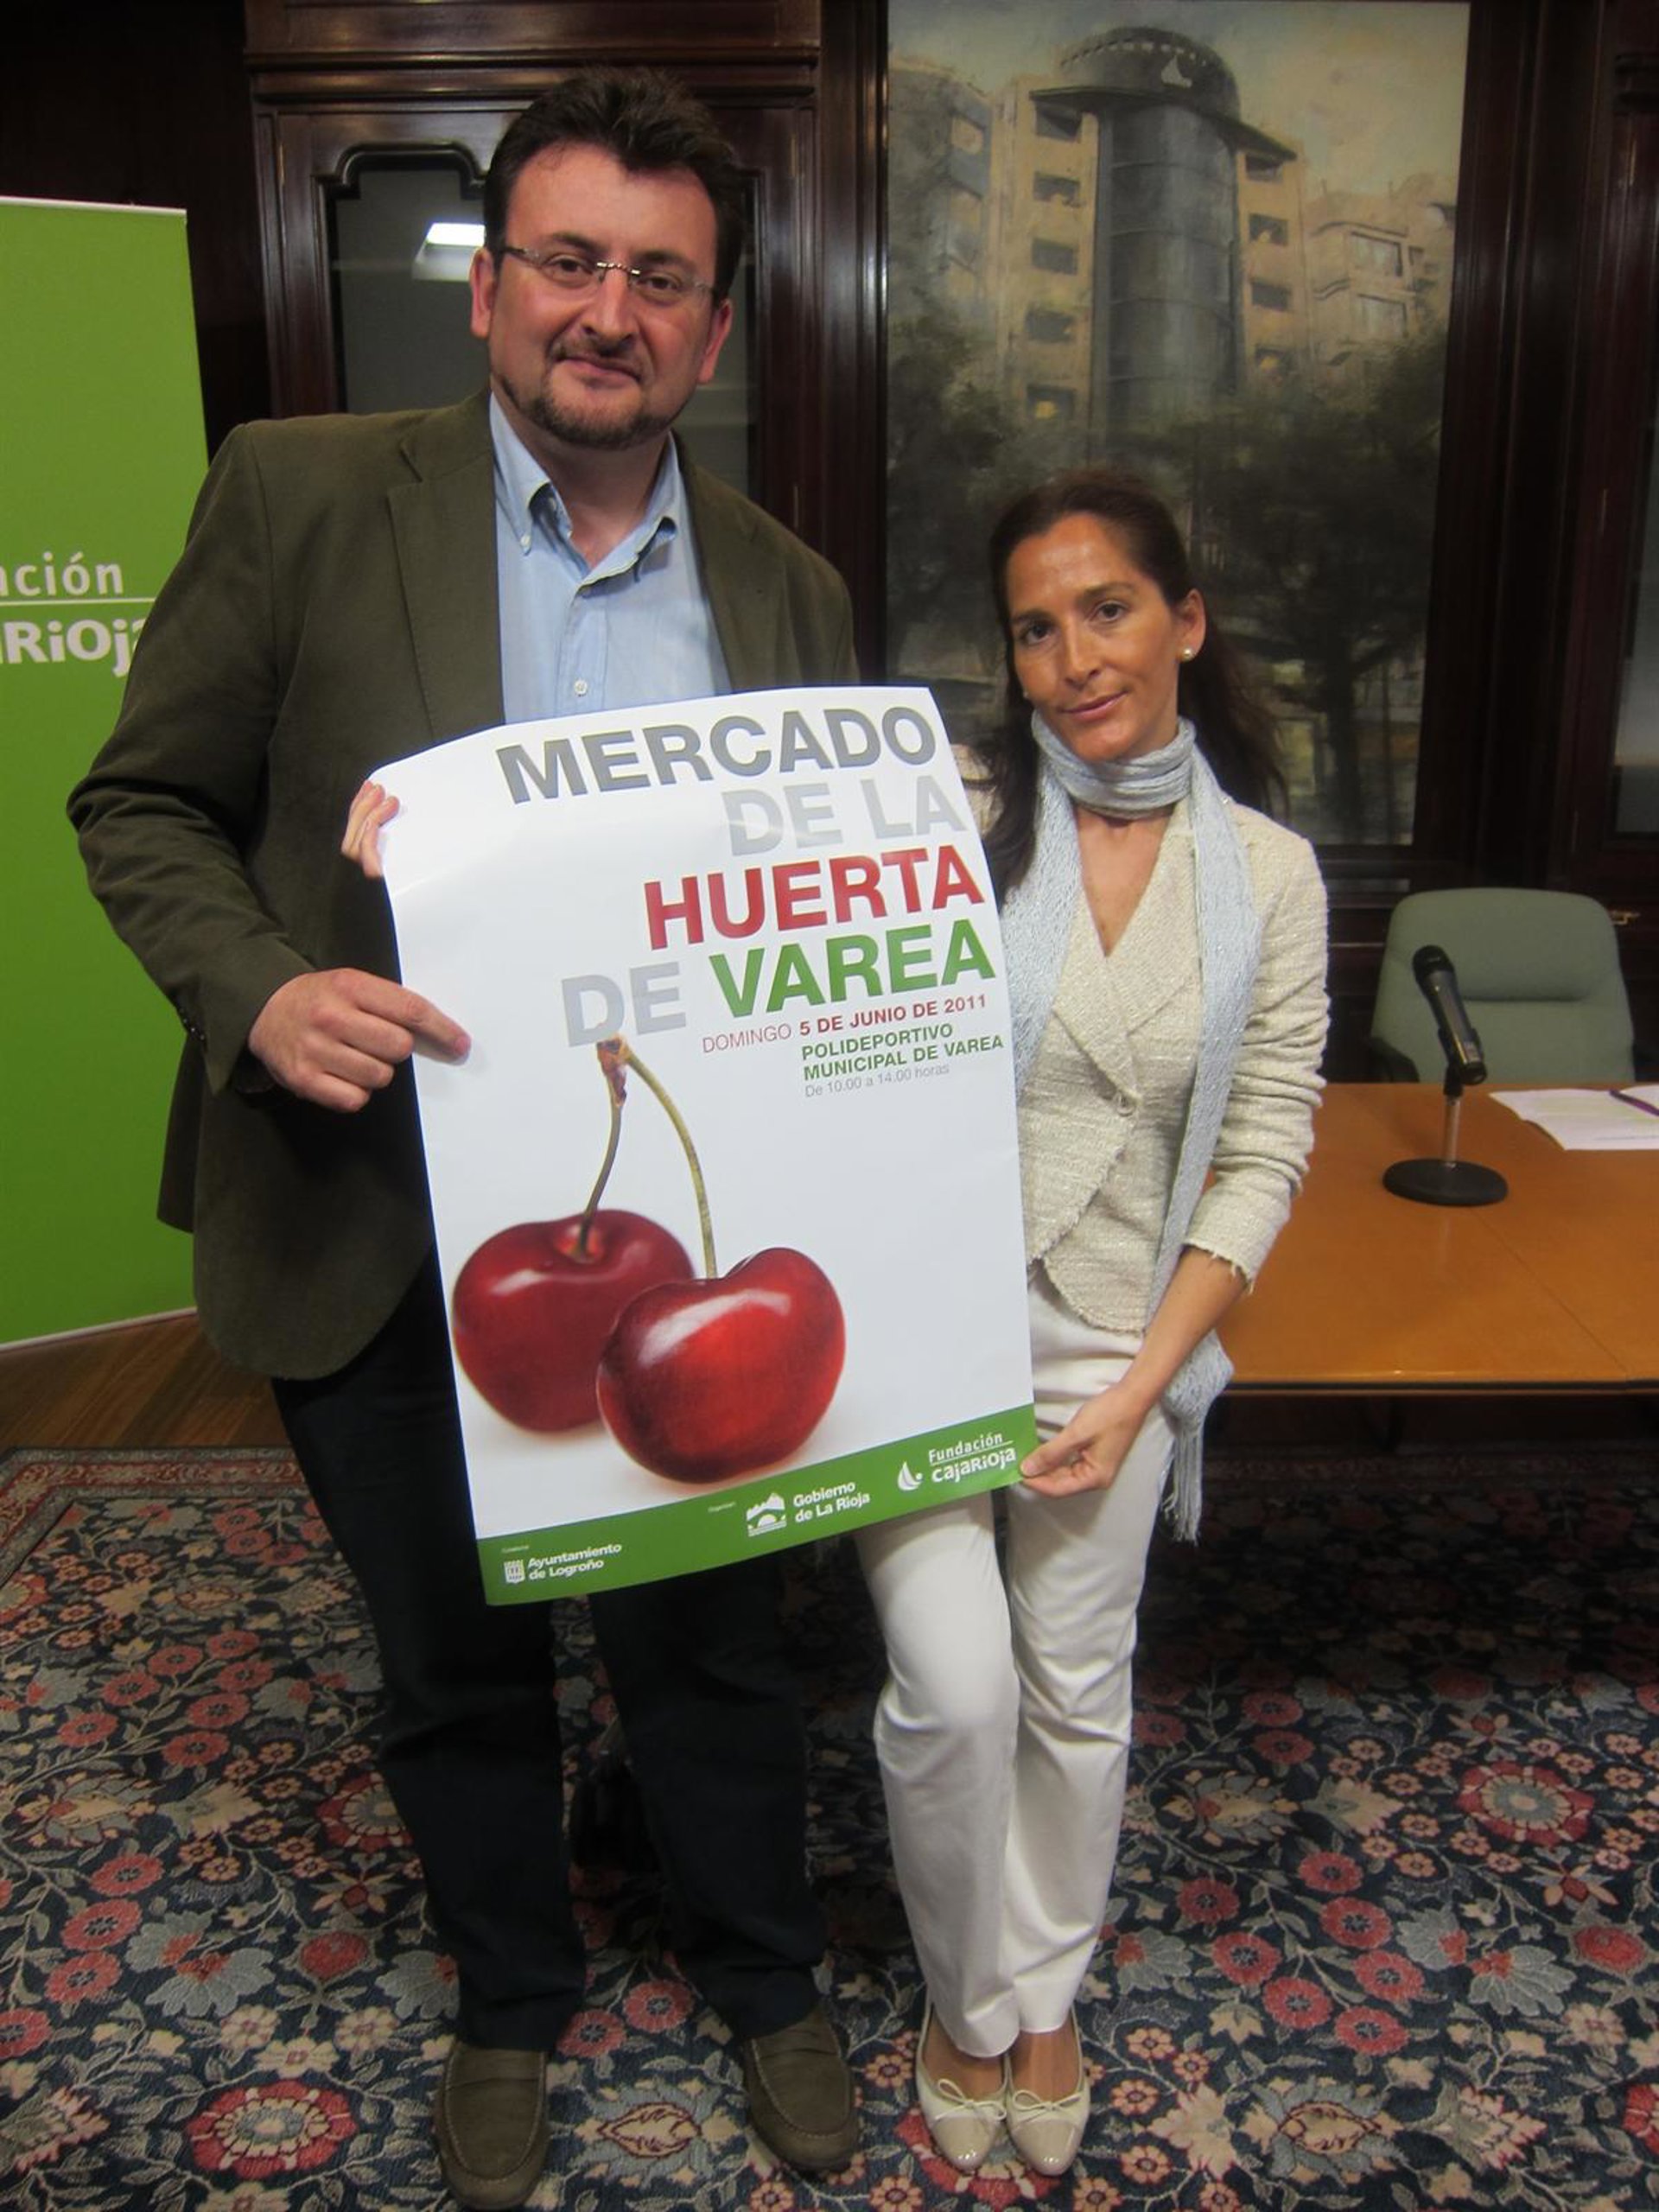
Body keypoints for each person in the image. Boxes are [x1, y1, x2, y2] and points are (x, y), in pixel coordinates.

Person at [68, 67, 860, 2210]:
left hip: (675, 1237)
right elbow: (139, 801)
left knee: (712, 1643)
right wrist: (261, 987)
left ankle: (764, 1969)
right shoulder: (301, 491)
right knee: (450, 1657)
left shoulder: (789, 592)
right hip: (374, 1216)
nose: (611, 311)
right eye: (571, 260)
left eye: (662, 279)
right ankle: (510, 1994)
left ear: (713, 328)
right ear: (491, 285)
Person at [855, 467, 1327, 2177]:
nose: (1073, 658)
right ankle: (959, 1988)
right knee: (955, 1690)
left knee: (1075, 1685)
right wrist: (459, 835)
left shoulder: (1268, 872)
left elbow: (1265, 1140)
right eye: (1035, 629)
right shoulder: (949, 811)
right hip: (925, 1326)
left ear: (1186, 621)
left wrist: (1146, 1387)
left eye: (1108, 610)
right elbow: (715, 872)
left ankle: (1035, 1993)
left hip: (1122, 1341)